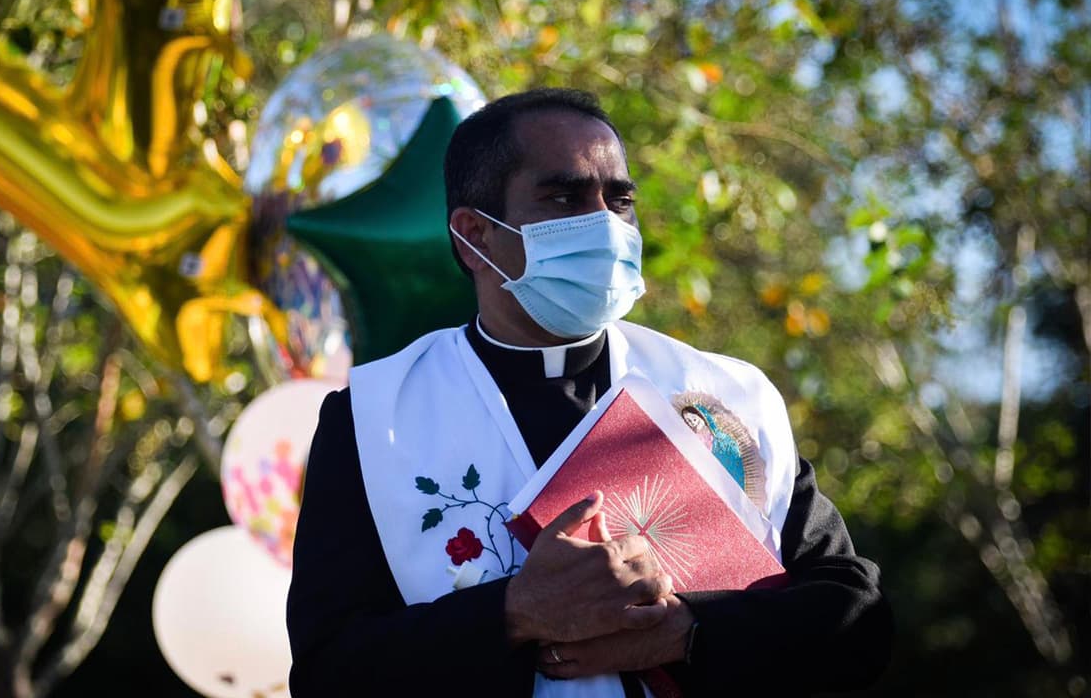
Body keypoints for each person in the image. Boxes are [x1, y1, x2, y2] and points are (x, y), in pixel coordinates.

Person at [286, 88, 891, 697]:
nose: (605, 224)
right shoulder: (375, 417)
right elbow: (327, 672)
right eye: (564, 198)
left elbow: (855, 619)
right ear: (475, 236)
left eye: (620, 200)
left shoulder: (724, 394)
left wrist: (687, 632)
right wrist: (515, 614)